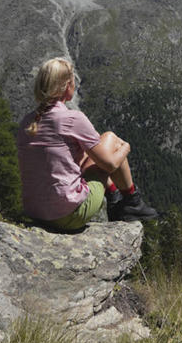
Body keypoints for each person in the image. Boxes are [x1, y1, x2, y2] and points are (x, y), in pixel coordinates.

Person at [16, 57, 157, 231]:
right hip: (69, 215)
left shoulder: (27, 121)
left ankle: (115, 197)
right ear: (68, 86)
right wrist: (126, 146)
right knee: (111, 139)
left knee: (87, 150)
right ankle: (131, 202)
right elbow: (110, 164)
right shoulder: (72, 119)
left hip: (35, 212)